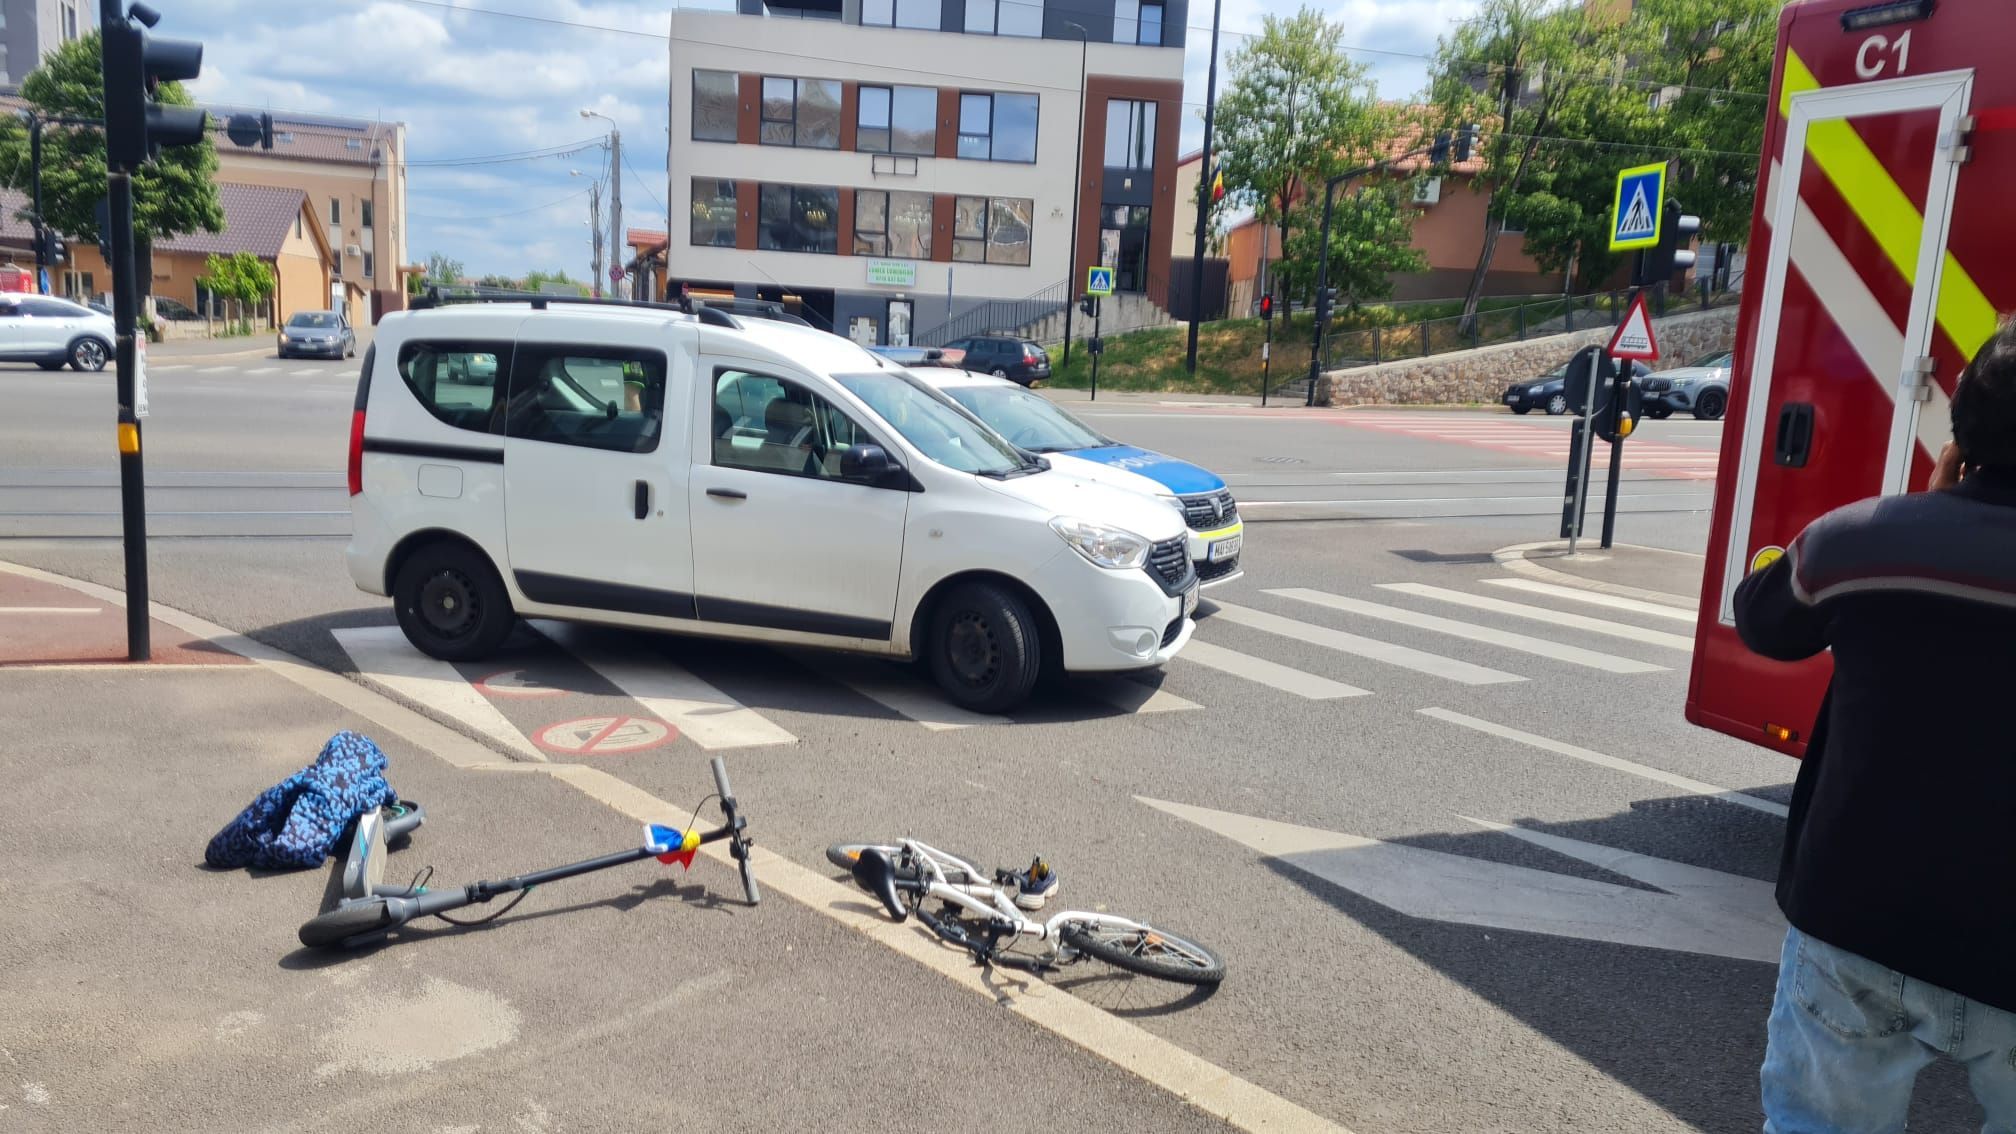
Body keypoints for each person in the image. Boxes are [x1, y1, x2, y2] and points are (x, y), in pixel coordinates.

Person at [1737, 316, 2016, 1130]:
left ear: (1959, 434)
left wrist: (1927, 512)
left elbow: (1764, 621)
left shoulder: (1862, 541)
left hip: (1857, 924)